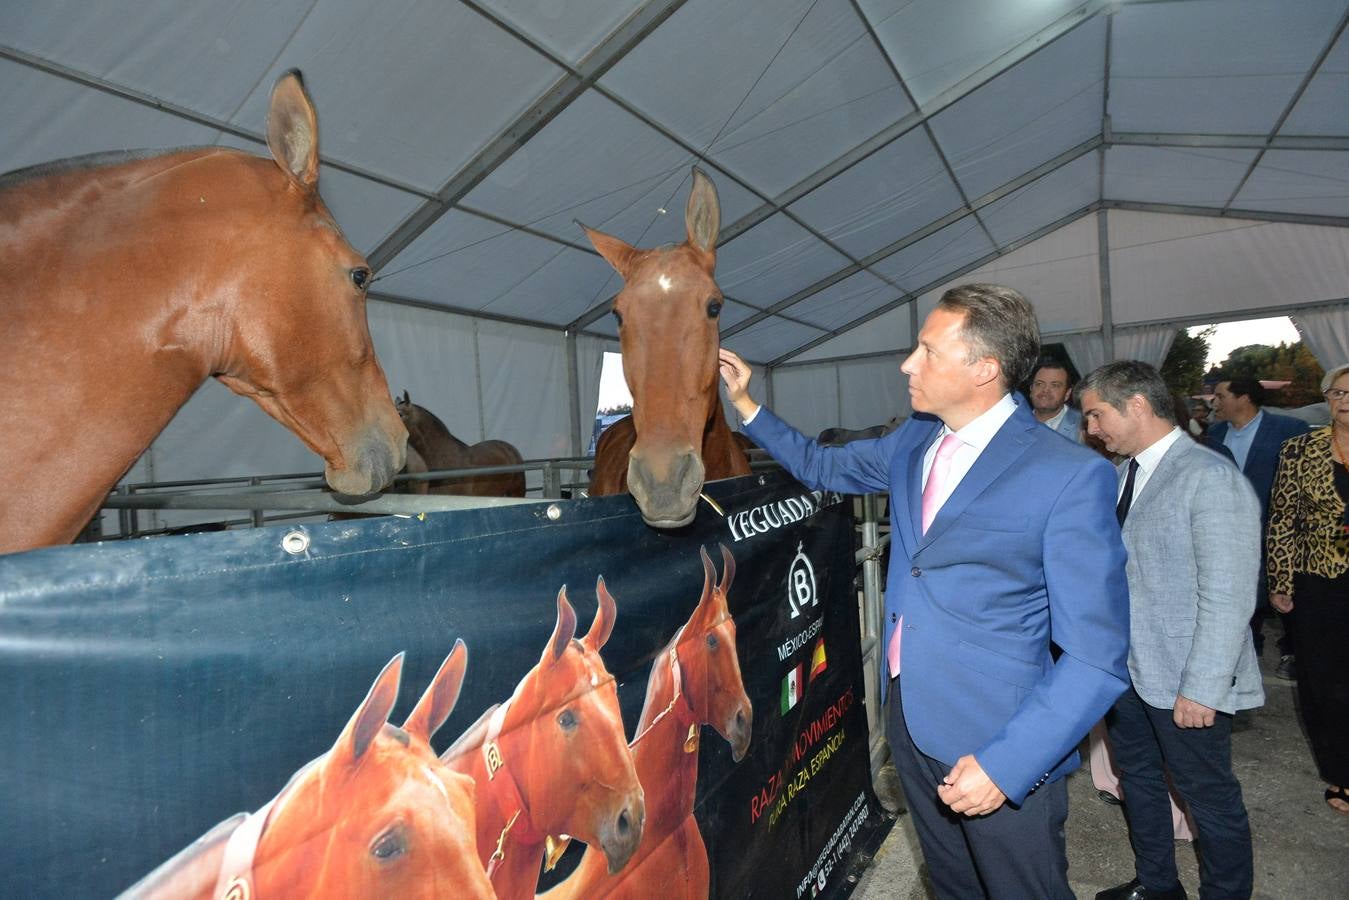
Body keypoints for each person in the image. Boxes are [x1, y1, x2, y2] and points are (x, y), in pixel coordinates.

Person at [720, 283, 1129, 899]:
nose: (908, 364)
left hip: (997, 736)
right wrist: (747, 404)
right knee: (953, 886)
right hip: (910, 721)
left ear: (984, 369)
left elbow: (1097, 658)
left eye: (928, 351)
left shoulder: (1069, 475)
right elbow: (824, 465)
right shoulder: (915, 439)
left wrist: (1008, 763)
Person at [1080, 361, 1263, 900]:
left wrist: (1204, 686)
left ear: (1137, 403)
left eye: (1096, 414)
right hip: (1129, 672)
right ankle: (1158, 885)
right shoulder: (1121, 475)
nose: (1091, 429)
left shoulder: (1208, 476)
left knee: (1208, 798)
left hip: (1185, 678)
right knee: (1136, 779)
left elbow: (1229, 594)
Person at [1266, 363, 1349, 816]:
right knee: (1326, 683)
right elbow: (1281, 518)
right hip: (1319, 581)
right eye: (1337, 393)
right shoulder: (1300, 449)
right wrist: (1281, 580)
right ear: (1327, 399)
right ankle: (1342, 771)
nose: (1346, 401)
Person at [1207, 377, 1311, 676]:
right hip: (1232, 533)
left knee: (1287, 594)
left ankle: (1292, 651)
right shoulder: (1214, 434)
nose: (1215, 402)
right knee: (1242, 593)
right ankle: (1247, 650)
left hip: (1279, 530)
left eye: (1220, 395)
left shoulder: (1289, 430)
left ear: (1244, 398)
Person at [1029, 357, 1082, 441]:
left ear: (1067, 394)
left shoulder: (1083, 426)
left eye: (1055, 385)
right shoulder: (1015, 424)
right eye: (1039, 384)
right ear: (1031, 389)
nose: (1045, 390)